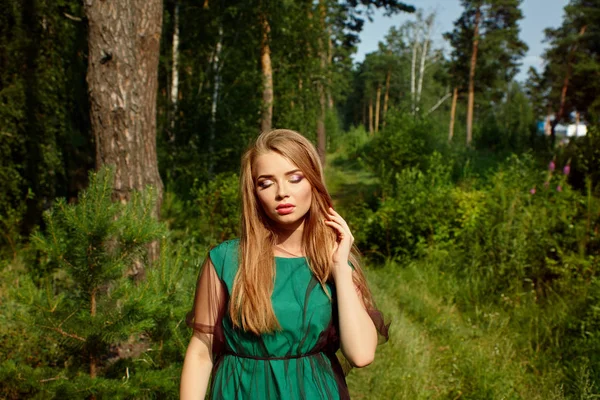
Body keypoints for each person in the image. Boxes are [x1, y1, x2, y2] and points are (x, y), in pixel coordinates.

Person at [180, 129, 389, 399]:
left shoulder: (332, 263)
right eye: (266, 183)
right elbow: (200, 351)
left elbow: (361, 354)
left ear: (313, 182)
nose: (282, 193)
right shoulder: (225, 260)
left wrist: (339, 267)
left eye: (294, 178)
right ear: (253, 193)